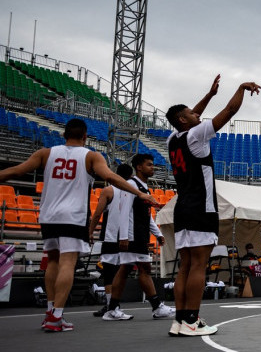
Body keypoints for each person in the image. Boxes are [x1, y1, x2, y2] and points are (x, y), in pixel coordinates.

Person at [0, 118, 156, 332]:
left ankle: (50, 310)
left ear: (64, 135)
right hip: (73, 215)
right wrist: (139, 193)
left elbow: (16, 171)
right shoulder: (91, 156)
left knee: (52, 260)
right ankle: (56, 316)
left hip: (48, 214)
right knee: (67, 263)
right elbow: (110, 176)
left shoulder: (46, 153)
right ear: (85, 137)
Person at [165, 75, 261, 336]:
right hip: (201, 208)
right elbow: (230, 111)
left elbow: (192, 114)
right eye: (191, 114)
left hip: (182, 208)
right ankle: (192, 321)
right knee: (199, 266)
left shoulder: (172, 139)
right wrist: (241, 88)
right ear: (184, 121)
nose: (197, 115)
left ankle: (180, 320)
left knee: (185, 266)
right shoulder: (196, 136)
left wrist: (209, 95)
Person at [106, 154, 174, 321]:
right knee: (144, 269)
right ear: (139, 167)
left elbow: (146, 215)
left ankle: (112, 309)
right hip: (132, 235)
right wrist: (124, 237)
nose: (153, 167)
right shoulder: (131, 185)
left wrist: (157, 234)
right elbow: (124, 211)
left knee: (125, 270)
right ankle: (156, 306)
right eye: (149, 165)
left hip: (140, 233)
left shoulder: (144, 187)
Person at [87, 164, 132, 318]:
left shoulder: (109, 190)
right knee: (120, 271)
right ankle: (113, 305)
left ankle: (110, 305)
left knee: (109, 272)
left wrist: (90, 231)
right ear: (131, 176)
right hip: (127, 236)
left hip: (110, 236)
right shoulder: (133, 191)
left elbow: (98, 213)